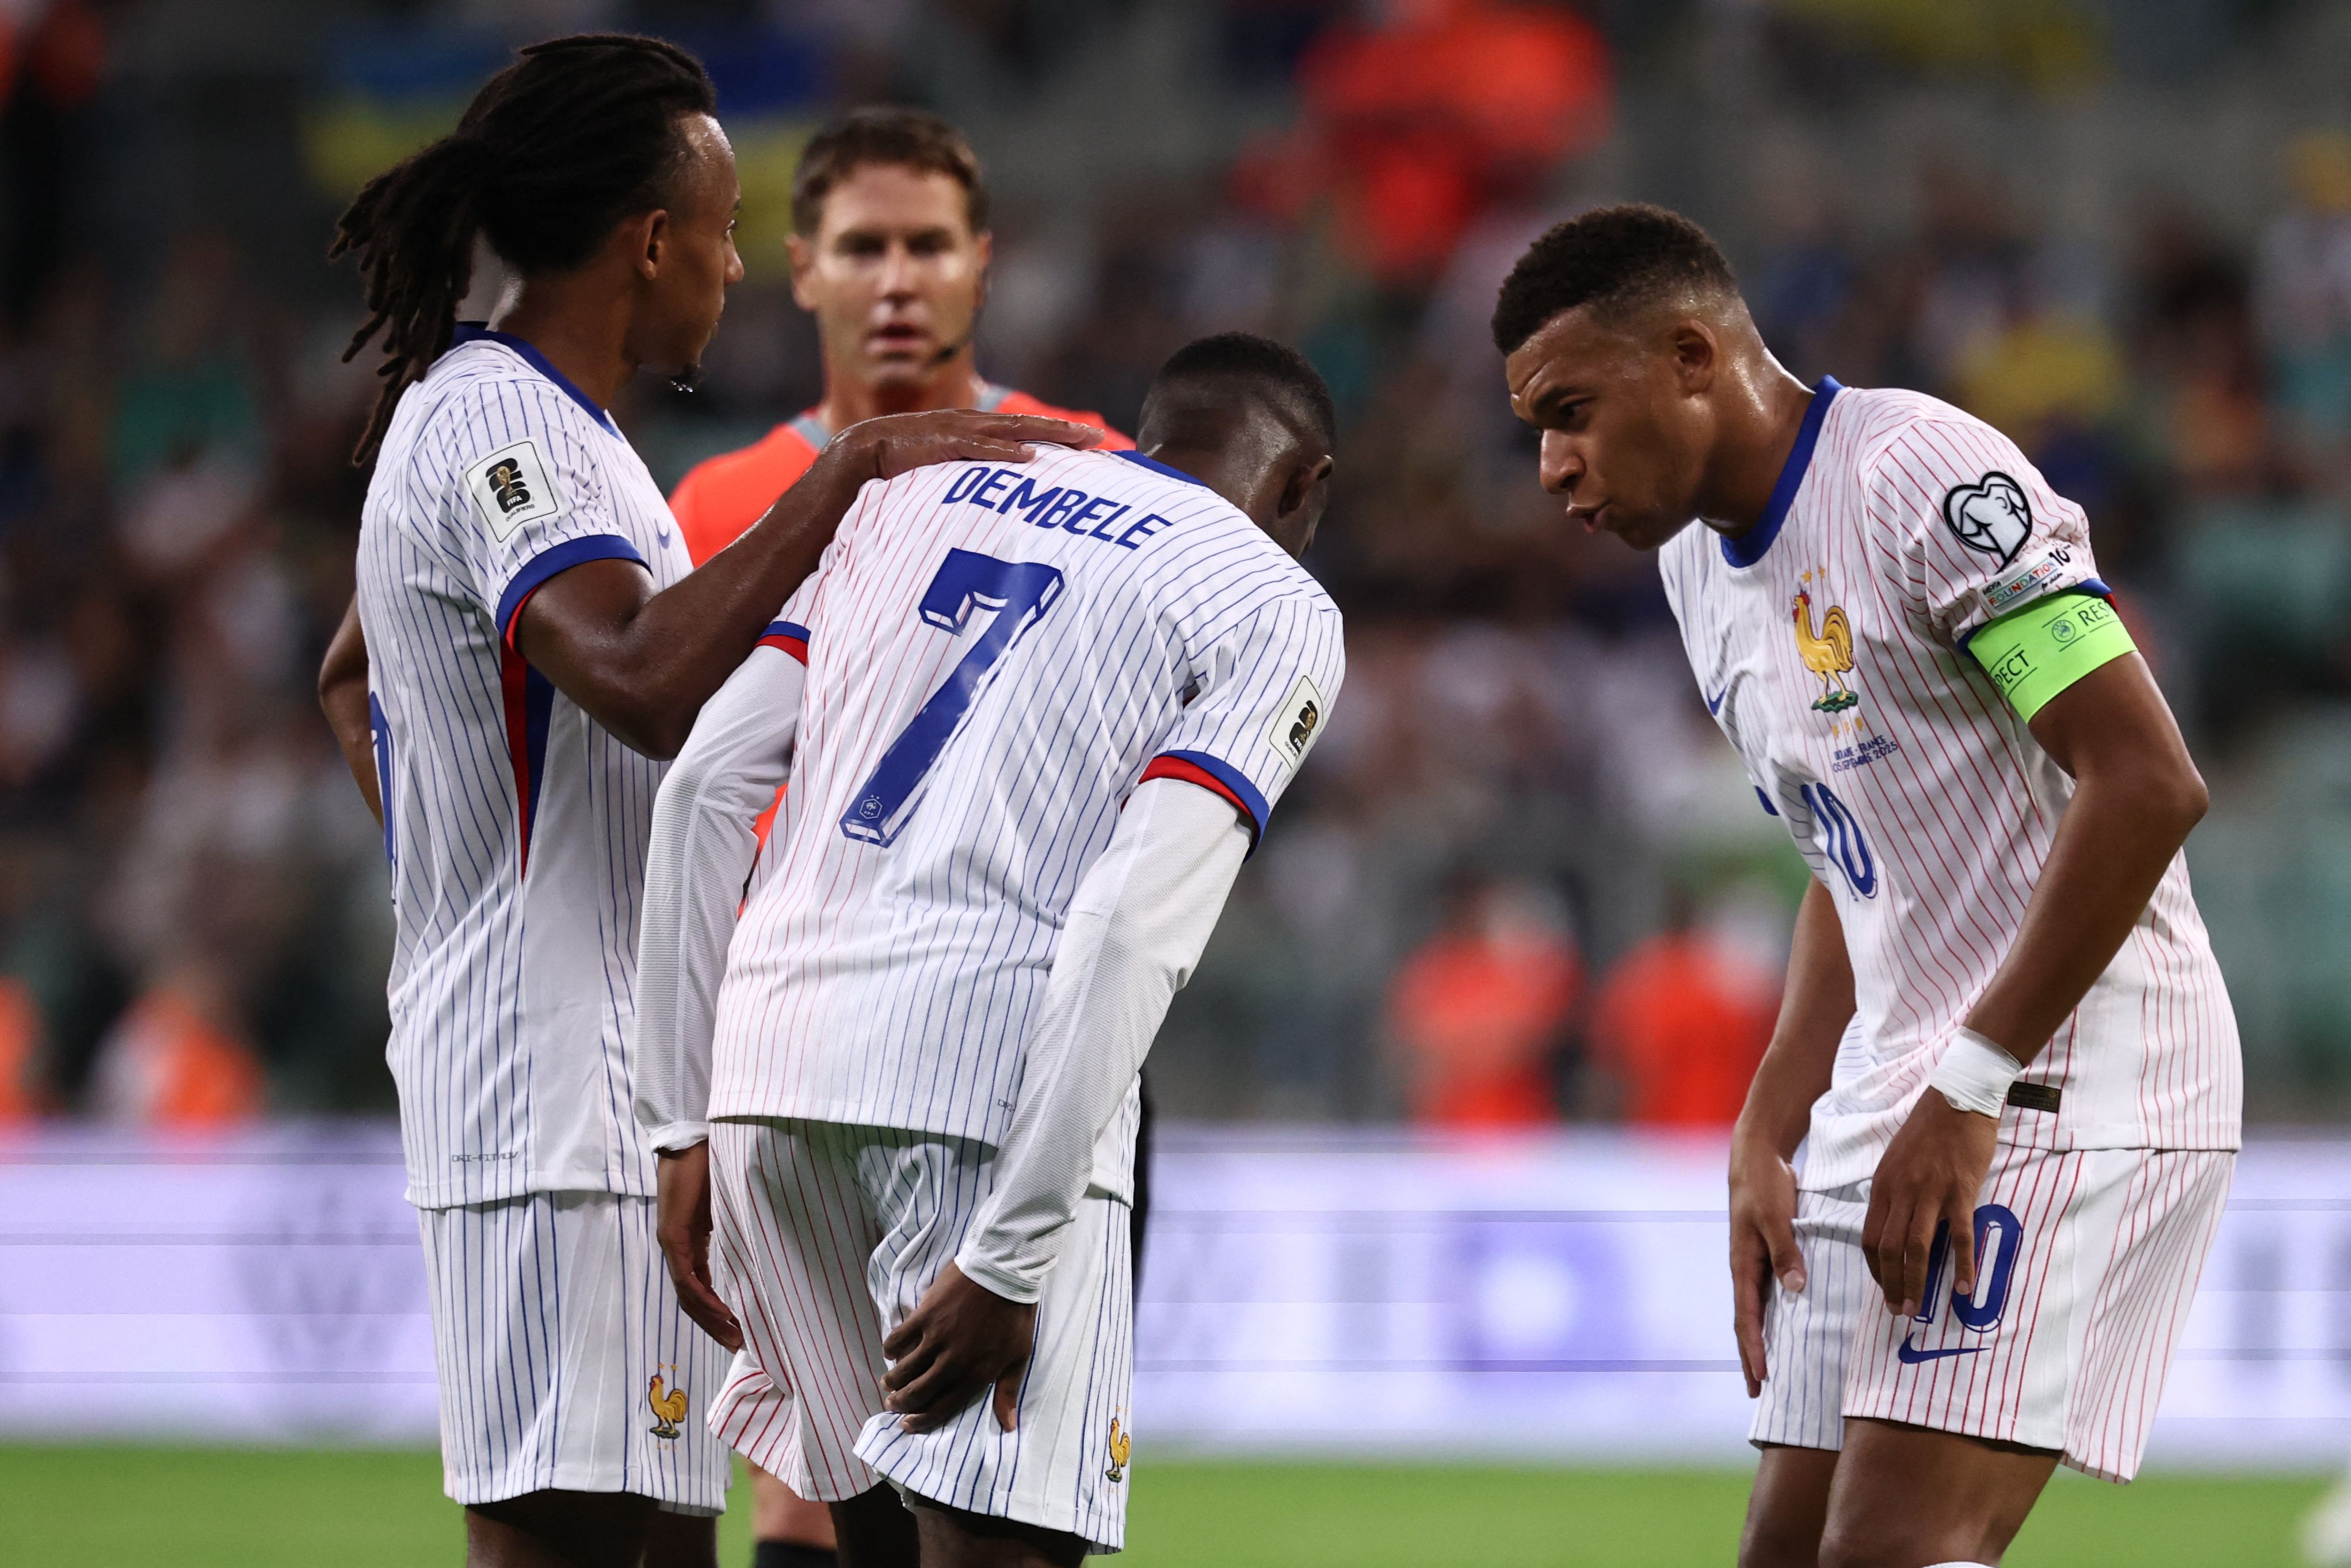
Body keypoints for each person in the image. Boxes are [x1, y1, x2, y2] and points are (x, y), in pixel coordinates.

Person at [316, 35, 1095, 1568]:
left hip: (600, 1087)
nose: (735, 273)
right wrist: (851, 467)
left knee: (657, 1541)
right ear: (651, 239)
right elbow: (633, 673)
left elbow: (352, 670)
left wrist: (472, 867)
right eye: (727, 233)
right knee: (569, 1543)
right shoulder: (497, 417)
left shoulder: (564, 433)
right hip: (556, 1104)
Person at [1491, 205, 2240, 1568]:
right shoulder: (1690, 572)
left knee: (1890, 1552)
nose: (1552, 467)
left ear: (1692, 355)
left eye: (1574, 412)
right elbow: (1847, 847)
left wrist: (1972, 1085)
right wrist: (1769, 1118)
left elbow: (2147, 783)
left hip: (2065, 1070)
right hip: (1900, 1088)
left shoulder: (1920, 479)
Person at [632, 333, 1344, 1567]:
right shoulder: (1273, 598)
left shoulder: (910, 498)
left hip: (769, 1082)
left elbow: (699, 791)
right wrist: (1014, 1254)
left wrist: (677, 1125)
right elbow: (1131, 925)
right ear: (1304, 484)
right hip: (975, 1104)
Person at [665, 105, 1136, 1566]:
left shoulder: (1091, 467)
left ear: (982, 264)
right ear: (797, 267)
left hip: (1030, 1041)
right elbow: (698, 795)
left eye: (927, 244)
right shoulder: (726, 501)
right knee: (808, 1480)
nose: (896, 278)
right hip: (797, 1036)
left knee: (1013, 1468)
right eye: (861, 246)